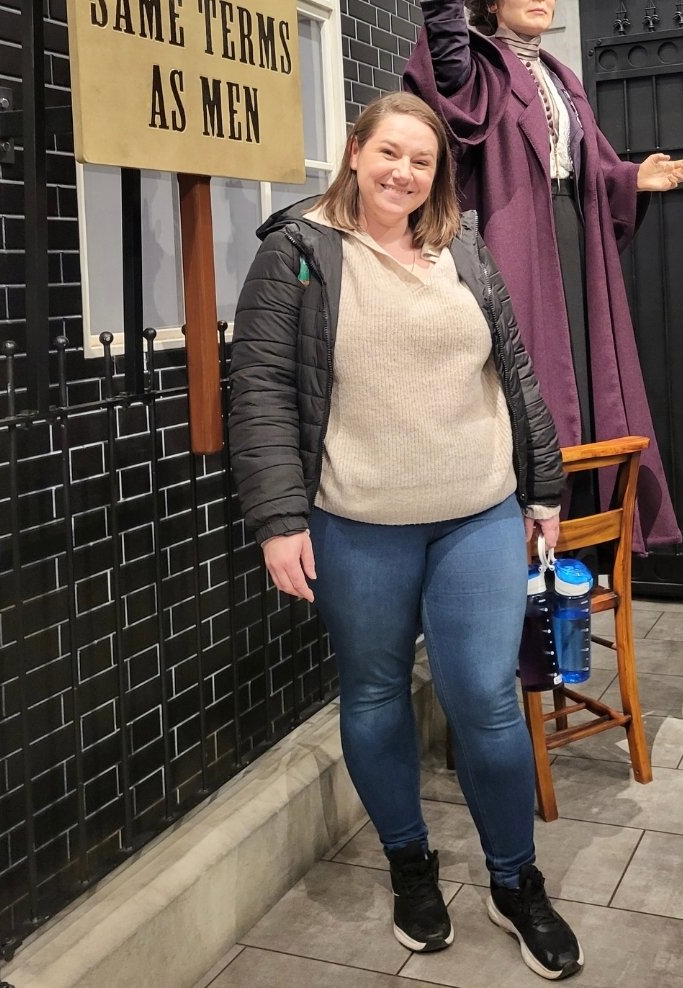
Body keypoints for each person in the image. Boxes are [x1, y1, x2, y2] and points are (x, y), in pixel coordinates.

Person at [229, 91, 583, 981]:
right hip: (358, 522)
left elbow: (514, 371)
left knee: (485, 698)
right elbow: (262, 392)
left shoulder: (460, 245)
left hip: (478, 511)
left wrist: (543, 493)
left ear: (437, 174)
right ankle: (410, 866)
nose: (403, 173)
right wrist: (278, 522)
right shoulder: (298, 252)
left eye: (421, 161)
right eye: (388, 153)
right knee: (376, 693)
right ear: (355, 152)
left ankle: (514, 882)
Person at [404, 0, 683, 551]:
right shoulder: (479, 61)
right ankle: (517, 558)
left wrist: (628, 178)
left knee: (584, 385)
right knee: (530, 389)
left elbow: (573, 167)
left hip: (572, 246)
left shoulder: (562, 76)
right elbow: (445, 82)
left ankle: (572, 560)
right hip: (514, 244)